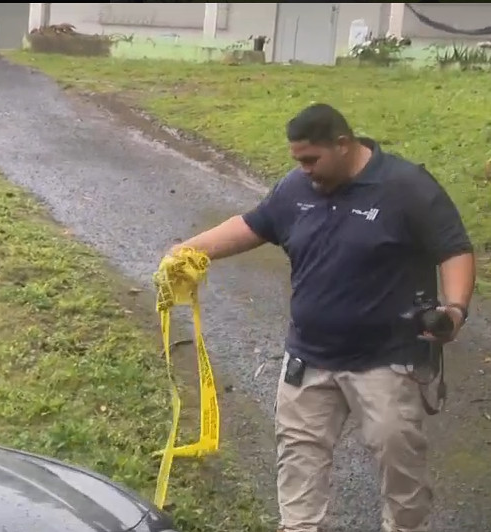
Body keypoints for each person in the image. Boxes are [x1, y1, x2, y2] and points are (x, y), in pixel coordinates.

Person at [166, 103, 475, 532]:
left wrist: (455, 310)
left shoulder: (406, 186)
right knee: (298, 461)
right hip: (308, 359)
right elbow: (252, 225)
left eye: (312, 159)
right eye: (298, 161)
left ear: (343, 144)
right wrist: (186, 252)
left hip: (387, 360)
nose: (305, 170)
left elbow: (453, 248)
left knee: (401, 470)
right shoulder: (295, 189)